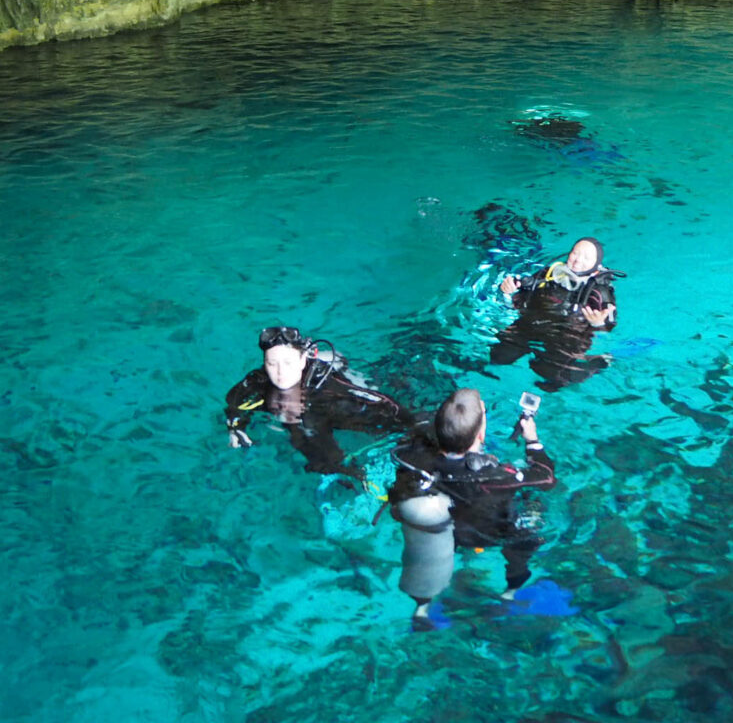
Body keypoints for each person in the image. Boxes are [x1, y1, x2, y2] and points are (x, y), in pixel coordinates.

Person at [388, 388, 556, 629]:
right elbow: (547, 478)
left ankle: (422, 608)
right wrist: (532, 441)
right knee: (528, 537)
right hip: (490, 534)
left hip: (447, 533)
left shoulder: (413, 458)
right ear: (481, 434)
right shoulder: (499, 477)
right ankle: (510, 592)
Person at [224, 326, 416, 476]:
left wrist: (410, 422)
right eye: (272, 364)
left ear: (302, 361)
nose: (280, 372)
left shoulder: (326, 381)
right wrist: (236, 427)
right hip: (302, 418)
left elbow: (380, 403)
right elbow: (233, 405)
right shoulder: (258, 382)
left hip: (328, 404)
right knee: (326, 463)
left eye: (288, 363)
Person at [491, 237, 618, 390]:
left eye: (586, 258)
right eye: (575, 253)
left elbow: (608, 329)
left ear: (596, 264)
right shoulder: (549, 273)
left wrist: (598, 324)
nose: (578, 261)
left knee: (552, 378)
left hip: (568, 336)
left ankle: (599, 362)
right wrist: (507, 292)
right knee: (499, 356)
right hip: (532, 324)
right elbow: (522, 296)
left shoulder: (599, 293)